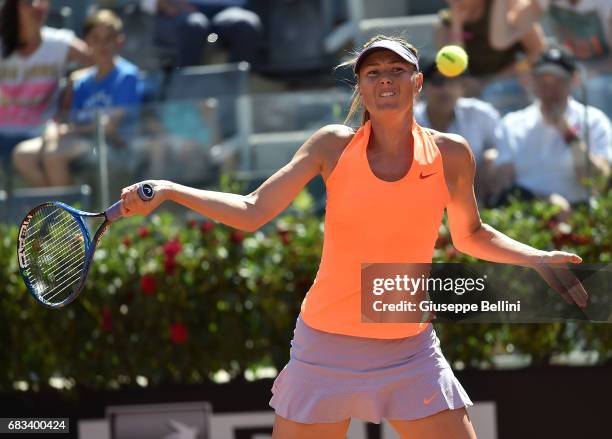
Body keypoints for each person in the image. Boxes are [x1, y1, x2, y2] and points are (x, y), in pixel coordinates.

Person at [119, 36, 587, 439]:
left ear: (417, 82)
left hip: (410, 349)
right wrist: (171, 190)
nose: (385, 79)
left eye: (396, 71)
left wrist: (536, 258)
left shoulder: (452, 154)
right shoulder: (331, 146)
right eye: (373, 73)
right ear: (361, 87)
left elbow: (470, 235)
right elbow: (252, 211)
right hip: (325, 349)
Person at [12, 9, 141, 187]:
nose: (102, 46)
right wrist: (53, 128)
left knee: (53, 154)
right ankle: (60, 205)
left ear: (119, 42)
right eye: (96, 39)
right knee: (22, 155)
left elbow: (109, 127)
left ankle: (66, 210)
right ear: (87, 42)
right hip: (79, 140)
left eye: (108, 39)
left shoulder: (127, 75)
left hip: (113, 145)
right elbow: (67, 117)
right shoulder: (80, 80)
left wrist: (68, 132)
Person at [491, 46, 611, 217]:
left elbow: (597, 182)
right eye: (543, 81)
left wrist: (567, 132)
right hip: (529, 215)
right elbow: (502, 186)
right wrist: (547, 202)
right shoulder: (512, 123)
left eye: (558, 81)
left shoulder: (593, 120)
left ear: (574, 81)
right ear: (533, 81)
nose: (549, 90)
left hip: (580, 215)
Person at [0, 0, 92, 187]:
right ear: (13, 8)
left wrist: (75, 79)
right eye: (28, 2)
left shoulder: (60, 42)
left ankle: (57, 211)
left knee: (30, 156)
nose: (37, 6)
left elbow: (100, 59)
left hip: (42, 133)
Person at [490, 0, 612, 116]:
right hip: (559, 71)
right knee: (497, 92)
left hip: (596, 76)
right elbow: (501, 39)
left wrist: (583, 73)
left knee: (594, 89)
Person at [435, 0, 546, 113]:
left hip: (510, 81)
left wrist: (519, 68)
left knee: (491, 94)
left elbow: (538, 51)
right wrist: (457, 24)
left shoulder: (507, 9)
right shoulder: (445, 25)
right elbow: (455, 68)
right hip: (472, 89)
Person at [415, 60, 501, 201]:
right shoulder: (408, 118)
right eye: (438, 81)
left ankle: (484, 211)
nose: (446, 89)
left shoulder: (481, 113)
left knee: (492, 157)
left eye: (453, 82)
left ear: (462, 87)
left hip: (473, 194)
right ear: (423, 87)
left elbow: (502, 151)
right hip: (420, 197)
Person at [149, 0, 262, 67]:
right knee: (194, 25)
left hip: (231, 11)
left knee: (245, 25)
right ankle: (187, 89)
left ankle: (235, 87)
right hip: (187, 10)